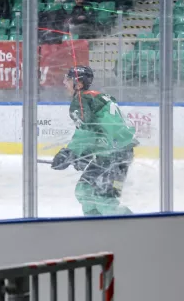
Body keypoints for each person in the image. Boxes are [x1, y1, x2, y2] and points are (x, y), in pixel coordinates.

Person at [52, 66, 136, 216]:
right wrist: (85, 155)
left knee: (105, 201)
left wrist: (69, 153)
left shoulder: (81, 100)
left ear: (79, 84)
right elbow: (100, 131)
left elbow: (86, 131)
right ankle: (94, 228)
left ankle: (135, 228)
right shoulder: (95, 97)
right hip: (112, 154)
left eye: (68, 79)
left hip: (115, 156)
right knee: (84, 192)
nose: (65, 83)